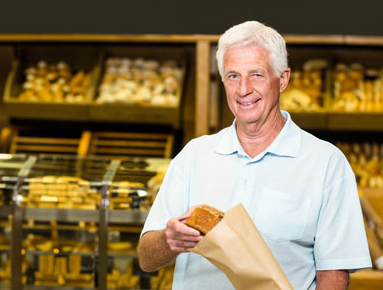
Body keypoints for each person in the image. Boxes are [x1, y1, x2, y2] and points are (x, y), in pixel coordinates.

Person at [136, 21, 372, 290]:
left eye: (256, 75)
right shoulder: (194, 155)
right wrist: (170, 241)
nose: (243, 89)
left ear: (282, 80)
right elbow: (146, 259)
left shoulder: (326, 163)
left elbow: (333, 276)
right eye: (233, 76)